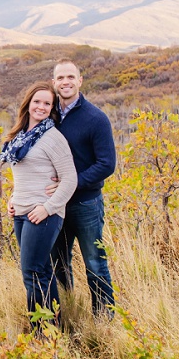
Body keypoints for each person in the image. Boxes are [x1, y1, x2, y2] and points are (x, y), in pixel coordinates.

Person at [1, 81, 77, 330]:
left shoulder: (52, 137)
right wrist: (13, 198)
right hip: (21, 211)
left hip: (43, 214)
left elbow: (70, 179)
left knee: (31, 272)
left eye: (47, 103)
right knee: (41, 271)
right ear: (28, 104)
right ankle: (55, 329)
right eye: (37, 101)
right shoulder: (20, 136)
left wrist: (48, 207)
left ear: (52, 108)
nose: (41, 107)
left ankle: (41, 332)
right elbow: (25, 175)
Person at [48, 58, 117, 317]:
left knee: (95, 264)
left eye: (70, 77)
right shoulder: (48, 115)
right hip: (55, 205)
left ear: (80, 81)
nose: (66, 82)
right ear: (54, 83)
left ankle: (104, 320)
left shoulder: (96, 119)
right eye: (60, 78)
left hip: (85, 204)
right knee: (58, 264)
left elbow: (107, 164)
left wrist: (70, 183)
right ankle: (68, 315)